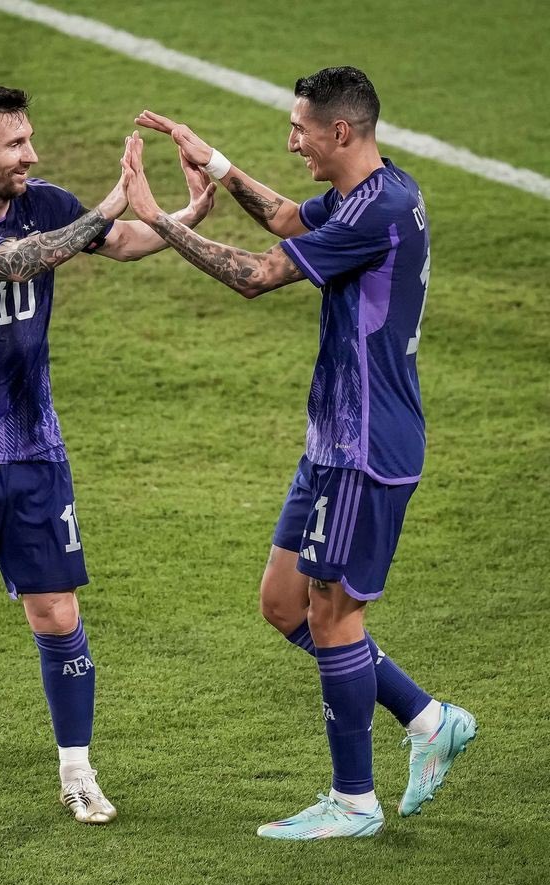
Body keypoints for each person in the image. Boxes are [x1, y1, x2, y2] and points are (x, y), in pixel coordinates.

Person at [123, 66, 477, 840]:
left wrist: (160, 221)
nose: (291, 142)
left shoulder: (378, 211)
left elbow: (258, 275)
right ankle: (429, 720)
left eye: (299, 129)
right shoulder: (376, 189)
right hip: (333, 440)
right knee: (285, 605)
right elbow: (287, 218)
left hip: (366, 445)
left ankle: (353, 803)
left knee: (333, 614)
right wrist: (215, 163)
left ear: (339, 131)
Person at [0, 82, 215, 823]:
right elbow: (19, 262)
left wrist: (181, 217)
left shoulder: (45, 201)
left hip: (34, 449)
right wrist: (111, 202)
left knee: (56, 610)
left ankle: (78, 773)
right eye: (15, 144)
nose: (32, 155)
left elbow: (118, 242)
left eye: (29, 139)